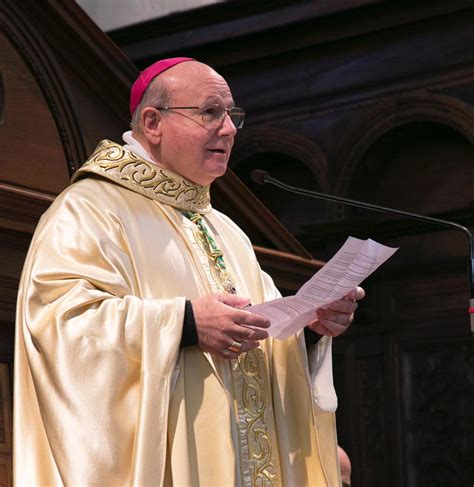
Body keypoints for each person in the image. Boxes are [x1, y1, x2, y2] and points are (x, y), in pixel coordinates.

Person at [14, 57, 364, 486]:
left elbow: (266, 333)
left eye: (232, 115)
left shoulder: (226, 231)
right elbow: (58, 325)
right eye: (210, 112)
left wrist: (310, 325)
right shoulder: (89, 210)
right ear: (153, 122)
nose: (230, 128)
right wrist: (186, 323)